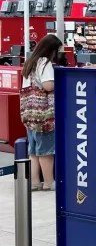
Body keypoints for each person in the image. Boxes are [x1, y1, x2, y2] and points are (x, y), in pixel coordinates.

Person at [21, 34, 62, 191]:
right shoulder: (44, 62)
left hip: (29, 112)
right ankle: (48, 183)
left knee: (33, 150)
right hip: (43, 114)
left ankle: (35, 182)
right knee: (46, 151)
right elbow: (48, 86)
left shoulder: (30, 61)